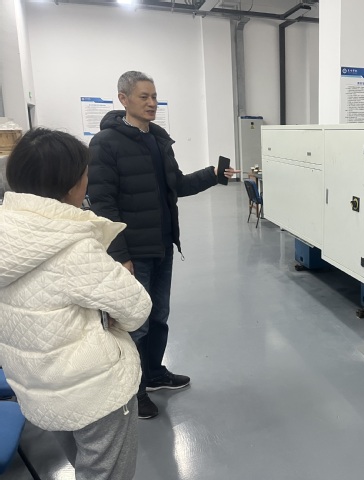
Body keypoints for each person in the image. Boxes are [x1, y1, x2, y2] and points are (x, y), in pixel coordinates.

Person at [0, 128, 152, 479]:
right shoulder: (73, 247)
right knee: (105, 473)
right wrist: (109, 317)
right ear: (71, 185)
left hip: (36, 385)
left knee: (84, 465)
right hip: (92, 390)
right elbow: (137, 307)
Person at [88, 71, 237, 420]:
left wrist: (213, 175)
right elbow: (103, 204)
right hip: (133, 252)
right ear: (123, 99)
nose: (152, 103)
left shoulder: (158, 139)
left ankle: (154, 373)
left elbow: (176, 185)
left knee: (159, 315)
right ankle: (135, 389)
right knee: (135, 323)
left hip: (162, 245)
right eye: (144, 97)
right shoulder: (105, 143)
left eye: (154, 96)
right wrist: (120, 255)